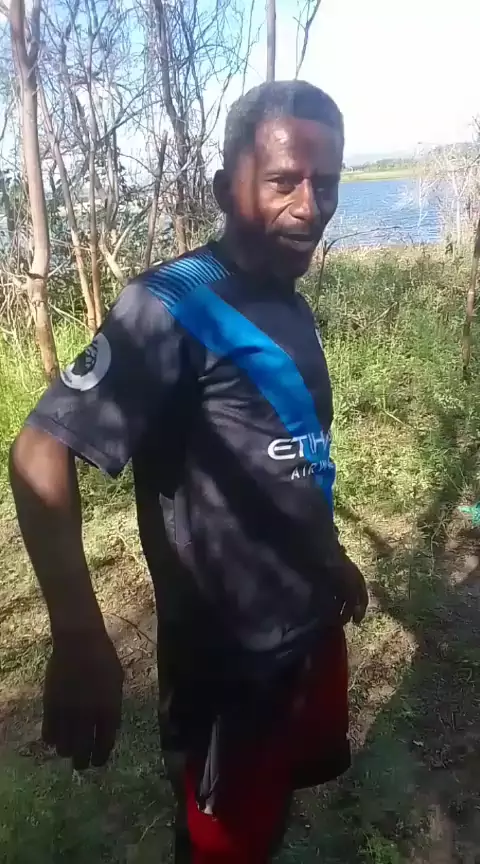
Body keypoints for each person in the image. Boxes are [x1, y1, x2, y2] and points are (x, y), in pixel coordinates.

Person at [10, 80, 368, 864]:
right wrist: (79, 636)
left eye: (328, 183)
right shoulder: (170, 304)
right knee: (219, 846)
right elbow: (39, 450)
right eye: (284, 181)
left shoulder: (287, 297)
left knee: (274, 815)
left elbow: (289, 453)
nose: (311, 206)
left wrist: (330, 556)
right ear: (224, 188)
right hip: (226, 671)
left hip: (307, 631)